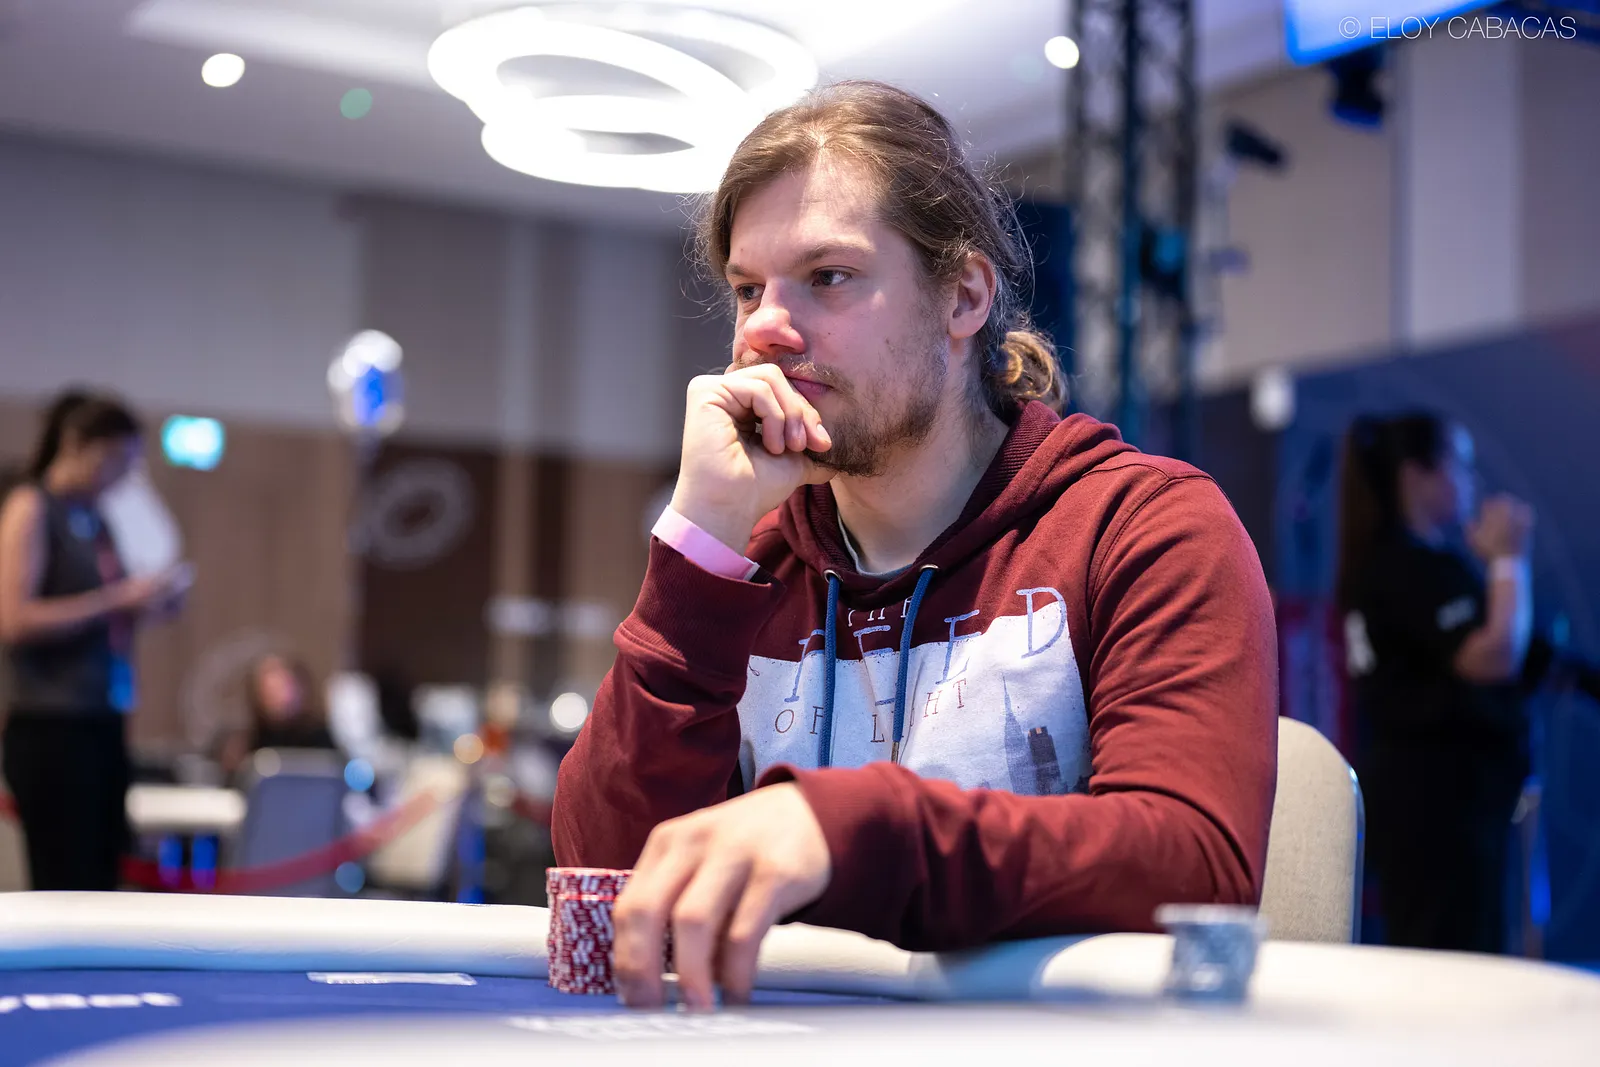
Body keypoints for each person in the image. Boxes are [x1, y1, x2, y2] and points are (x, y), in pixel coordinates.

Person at [551, 81, 1278, 1010]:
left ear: (963, 296)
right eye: (747, 289)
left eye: (828, 275)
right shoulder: (745, 564)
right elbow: (603, 887)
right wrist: (698, 547)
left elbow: (1196, 868)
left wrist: (849, 829)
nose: (763, 328)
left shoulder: (1143, 527)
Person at [1337, 411, 1537, 953]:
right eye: (1461, 465)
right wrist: (1510, 562)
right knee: (1449, 962)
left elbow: (1525, 654)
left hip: (1449, 809)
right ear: (1417, 474)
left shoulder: (1417, 562)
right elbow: (1493, 656)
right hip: (1437, 812)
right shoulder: (1404, 566)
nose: (1472, 481)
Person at [0, 390, 191, 890]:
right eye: (117, 461)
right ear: (80, 447)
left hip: (100, 716)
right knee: (64, 879)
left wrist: (151, 605)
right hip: (51, 726)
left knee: (103, 873)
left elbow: (104, 614)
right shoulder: (31, 507)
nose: (122, 477)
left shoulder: (96, 519)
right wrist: (114, 600)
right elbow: (13, 620)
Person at [217, 653, 338, 780]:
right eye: (271, 689)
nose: (281, 697)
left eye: (285, 687)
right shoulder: (244, 746)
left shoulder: (323, 740)